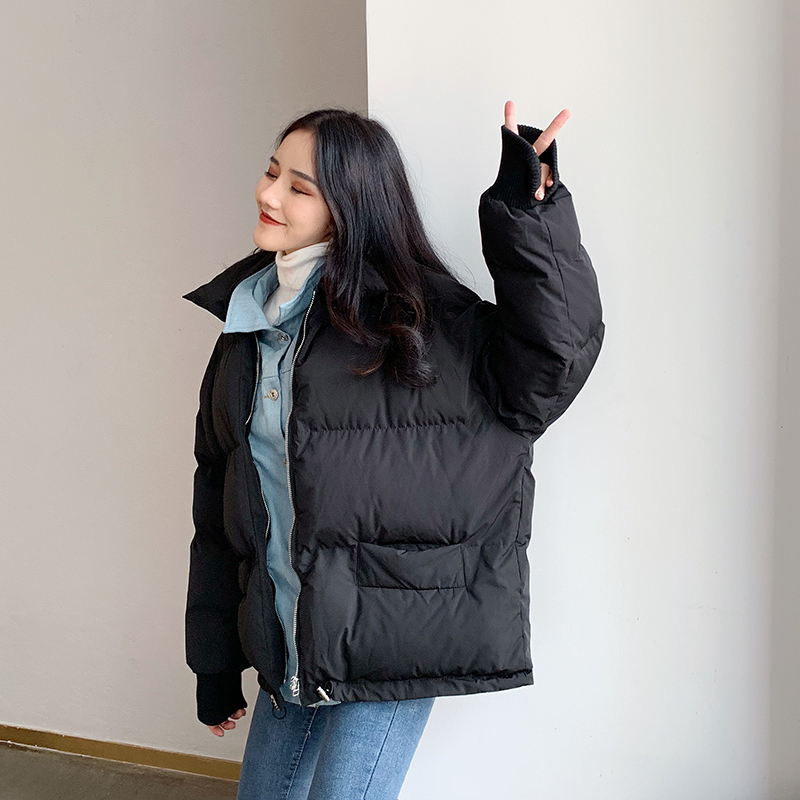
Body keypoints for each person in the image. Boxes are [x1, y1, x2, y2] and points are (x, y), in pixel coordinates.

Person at [182, 100, 604, 800]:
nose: (268, 194)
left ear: (349, 207)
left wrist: (527, 214)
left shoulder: (418, 322)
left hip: (396, 638)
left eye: (298, 187)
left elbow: (552, 361)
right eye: (271, 172)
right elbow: (218, 513)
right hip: (291, 640)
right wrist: (216, 661)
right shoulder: (246, 332)